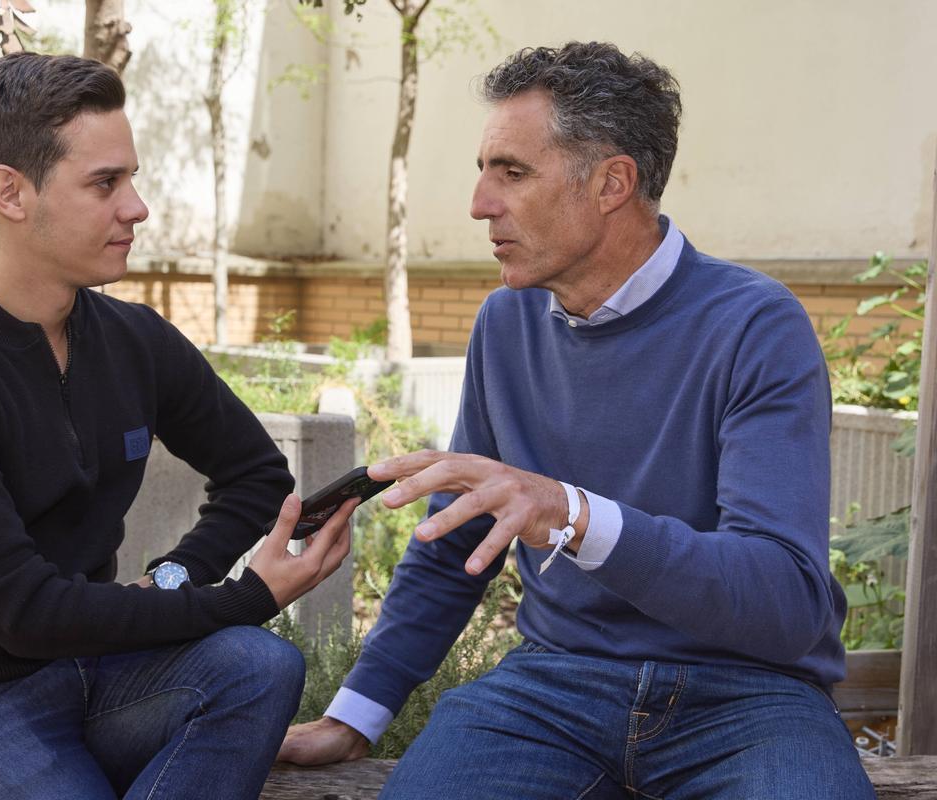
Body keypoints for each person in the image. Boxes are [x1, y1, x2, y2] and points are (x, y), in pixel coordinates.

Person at [278, 42, 874, 799]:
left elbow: (784, 601)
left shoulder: (755, 325)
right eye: (483, 169)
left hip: (751, 698)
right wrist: (355, 714)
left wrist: (572, 514)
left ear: (612, 183)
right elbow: (454, 541)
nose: (479, 203)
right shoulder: (506, 322)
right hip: (553, 690)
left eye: (513, 172)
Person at [0, 52, 355, 800]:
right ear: (11, 193)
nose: (137, 207)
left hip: (99, 673)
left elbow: (255, 475)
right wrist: (247, 597)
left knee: (259, 667)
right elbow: (26, 614)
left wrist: (174, 576)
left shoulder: (134, 340)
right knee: (247, 638)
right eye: (105, 183)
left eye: (131, 178)